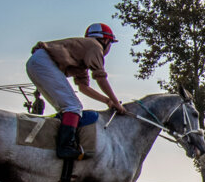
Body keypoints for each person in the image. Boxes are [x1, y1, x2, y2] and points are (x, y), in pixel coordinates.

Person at [26, 22, 129, 160]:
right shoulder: (95, 46)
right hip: (43, 63)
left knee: (67, 108)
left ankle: (56, 142)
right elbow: (101, 78)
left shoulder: (83, 53)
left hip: (37, 62)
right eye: (110, 43)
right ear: (105, 40)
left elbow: (84, 87)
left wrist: (107, 101)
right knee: (73, 106)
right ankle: (65, 147)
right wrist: (116, 102)